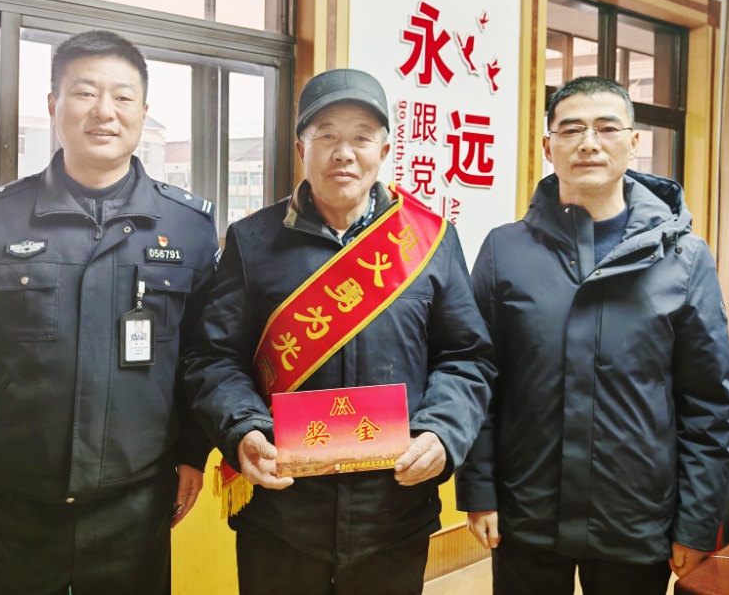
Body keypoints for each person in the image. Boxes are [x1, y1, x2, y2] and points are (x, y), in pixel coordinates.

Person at [0, 30, 219, 594]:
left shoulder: (188, 228)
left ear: (143, 112)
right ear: (54, 105)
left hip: (136, 503)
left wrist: (195, 454)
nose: (105, 111)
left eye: (123, 97)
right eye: (85, 93)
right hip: (13, 502)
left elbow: (202, 357)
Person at [183, 68, 495, 595]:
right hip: (280, 517)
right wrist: (242, 428)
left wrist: (443, 431)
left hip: (393, 515)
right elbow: (212, 357)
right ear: (301, 148)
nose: (343, 153)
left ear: (384, 150)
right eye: (326, 134)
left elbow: (467, 357)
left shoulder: (431, 241)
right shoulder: (252, 241)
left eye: (360, 137)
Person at [456, 76, 729, 595]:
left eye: (607, 128)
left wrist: (697, 521)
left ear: (633, 142)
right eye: (571, 129)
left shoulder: (684, 258)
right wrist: (479, 490)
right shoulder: (504, 251)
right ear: (548, 147)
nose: (589, 142)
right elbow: (478, 381)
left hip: (637, 517)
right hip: (526, 510)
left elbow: (707, 405)